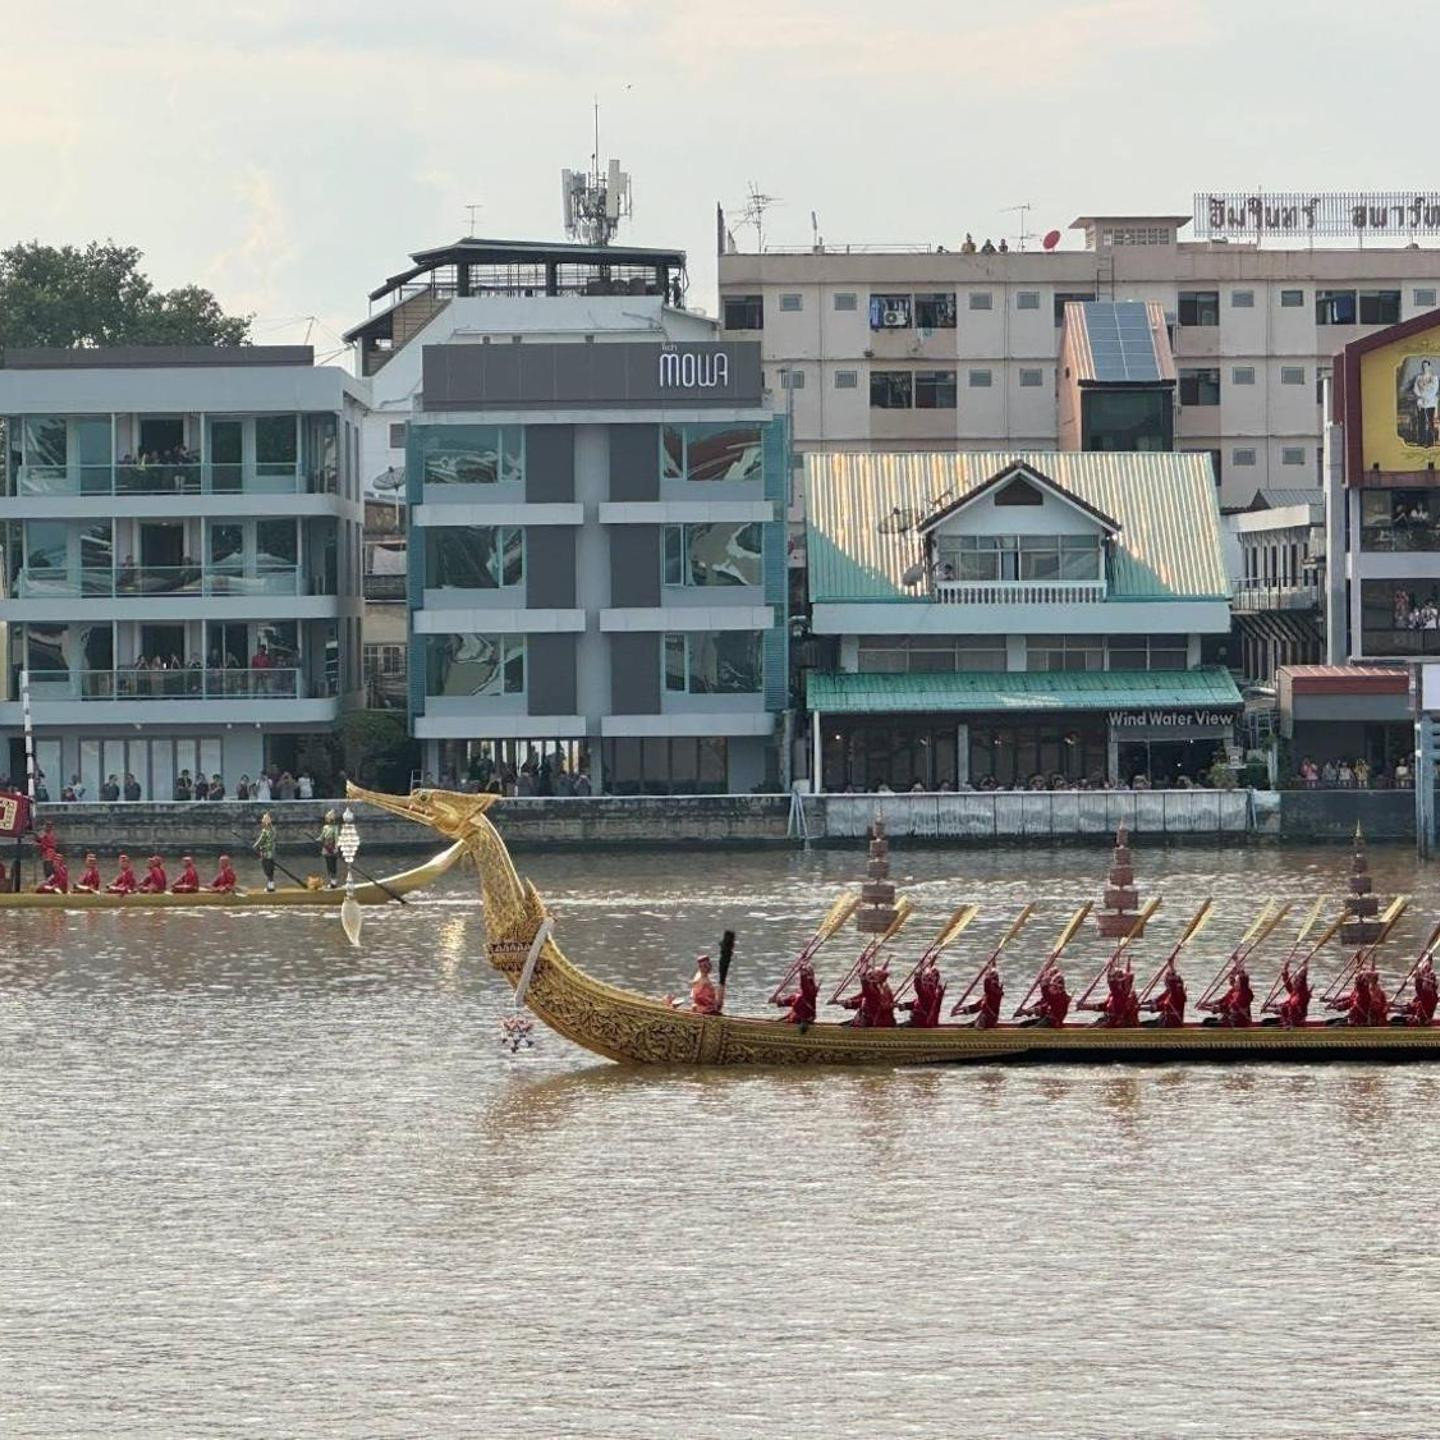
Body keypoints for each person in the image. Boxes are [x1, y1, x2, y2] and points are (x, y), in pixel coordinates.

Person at [1203, 961, 1254, 1027]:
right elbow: (1221, 1001)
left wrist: (1206, 1008)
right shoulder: (1232, 991)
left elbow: (1225, 1008)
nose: (1235, 983)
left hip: (1238, 1022)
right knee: (1206, 1021)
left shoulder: (1245, 995)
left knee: (1210, 1024)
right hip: (1228, 1019)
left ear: (1242, 985)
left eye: (1237, 982)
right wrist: (1206, 1004)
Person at [958, 961, 1004, 1029]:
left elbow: (976, 1007)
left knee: (976, 1024)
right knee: (972, 1023)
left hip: (988, 1023)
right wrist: (993, 965)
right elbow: (993, 977)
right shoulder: (996, 993)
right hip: (990, 1020)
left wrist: (958, 1011)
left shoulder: (990, 995)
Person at [774, 958, 819, 1026]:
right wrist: (775, 1000)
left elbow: (805, 983)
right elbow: (784, 1002)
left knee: (799, 996)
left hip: (802, 1021)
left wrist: (802, 969)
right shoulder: (798, 996)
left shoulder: (808, 993)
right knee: (796, 997)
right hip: (797, 1019)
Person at [1141, 962, 1187, 1028]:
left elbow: (1158, 1006)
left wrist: (1171, 967)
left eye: (1166, 980)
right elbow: (1156, 1001)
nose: (1165, 982)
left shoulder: (1177, 994)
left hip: (1170, 1024)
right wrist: (1141, 1004)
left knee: (1144, 1026)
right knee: (1143, 1024)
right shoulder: (1168, 992)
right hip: (1164, 1021)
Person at [900, 962, 946, 1028]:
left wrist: (917, 977)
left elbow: (918, 989)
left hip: (920, 1024)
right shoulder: (933, 990)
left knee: (899, 1026)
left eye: (925, 979)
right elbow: (917, 1003)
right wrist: (904, 1006)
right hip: (922, 1022)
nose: (924, 981)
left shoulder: (929, 992)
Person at [1397, 957, 1439, 1026]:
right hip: (1420, 1019)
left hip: (1422, 1023)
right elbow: (1418, 995)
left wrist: (1418, 978)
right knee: (1403, 1013)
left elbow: (1420, 990)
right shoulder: (1423, 995)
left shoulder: (1430, 996)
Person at [1413, 358, 1438, 446]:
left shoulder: (1434, 377)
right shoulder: (1419, 378)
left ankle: (1430, 442)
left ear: (1429, 366)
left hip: (1430, 402)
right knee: (1421, 422)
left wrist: (1426, 397)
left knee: (1430, 421)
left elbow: (1434, 390)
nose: (1425, 368)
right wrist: (1420, 396)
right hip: (1421, 402)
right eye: (1423, 366)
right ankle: (1421, 441)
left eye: (1426, 366)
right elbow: (1415, 389)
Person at [253, 812, 278, 892]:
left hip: (266, 854)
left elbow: (261, 841)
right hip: (272, 854)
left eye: (264, 821)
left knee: (267, 870)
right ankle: (271, 885)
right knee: (270, 871)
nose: (262, 822)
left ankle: (270, 886)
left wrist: (256, 847)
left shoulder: (265, 831)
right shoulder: (273, 830)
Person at [318, 808, 340, 888]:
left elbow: (336, 838)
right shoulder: (325, 827)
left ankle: (334, 881)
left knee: (333, 864)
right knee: (328, 864)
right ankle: (331, 880)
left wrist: (336, 847)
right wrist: (318, 839)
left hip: (332, 846)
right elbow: (322, 836)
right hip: (326, 846)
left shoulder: (335, 828)